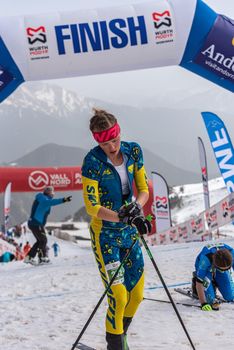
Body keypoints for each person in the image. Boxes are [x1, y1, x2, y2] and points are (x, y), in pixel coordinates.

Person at [82, 108, 151, 350]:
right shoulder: (92, 162)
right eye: (106, 144)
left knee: (137, 295)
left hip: (129, 232)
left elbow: (143, 190)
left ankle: (120, 337)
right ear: (97, 142)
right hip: (105, 235)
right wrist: (121, 216)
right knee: (119, 297)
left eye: (115, 140)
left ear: (119, 133)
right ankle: (115, 345)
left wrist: (135, 209)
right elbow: (92, 207)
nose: (112, 147)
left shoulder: (133, 150)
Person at [24, 186, 72, 265]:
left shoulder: (42, 198)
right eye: (52, 192)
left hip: (35, 223)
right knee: (43, 240)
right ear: (49, 193)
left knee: (40, 241)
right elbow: (52, 202)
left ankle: (29, 257)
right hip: (36, 223)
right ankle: (42, 258)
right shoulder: (44, 199)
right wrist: (64, 200)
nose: (53, 194)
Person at [192, 242, 234, 311]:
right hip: (206, 268)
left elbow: (223, 268)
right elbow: (199, 282)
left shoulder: (232, 252)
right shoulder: (205, 260)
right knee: (210, 300)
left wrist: (223, 270)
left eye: (227, 269)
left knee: (230, 296)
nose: (224, 270)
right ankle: (195, 281)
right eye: (221, 269)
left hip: (218, 264)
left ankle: (216, 280)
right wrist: (203, 303)